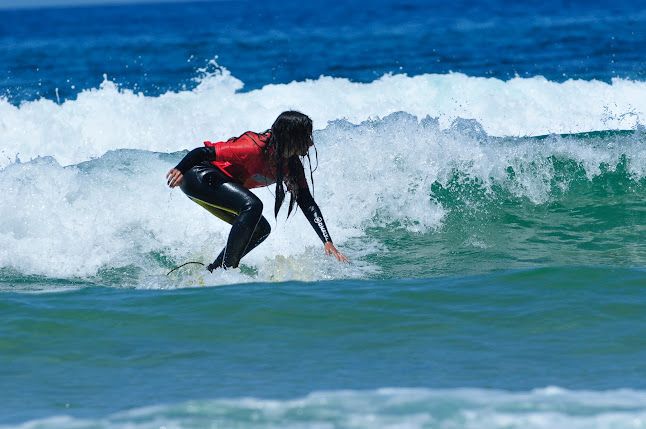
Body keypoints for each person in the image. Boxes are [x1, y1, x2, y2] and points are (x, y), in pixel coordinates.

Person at [166, 110, 349, 271]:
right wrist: (179, 170)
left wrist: (327, 240)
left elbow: (306, 202)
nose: (310, 143)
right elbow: (202, 152)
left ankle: (214, 271)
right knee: (252, 205)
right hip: (197, 176)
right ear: (290, 137)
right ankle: (227, 270)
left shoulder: (291, 165)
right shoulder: (254, 148)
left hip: (213, 185)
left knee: (261, 229)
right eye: (305, 137)